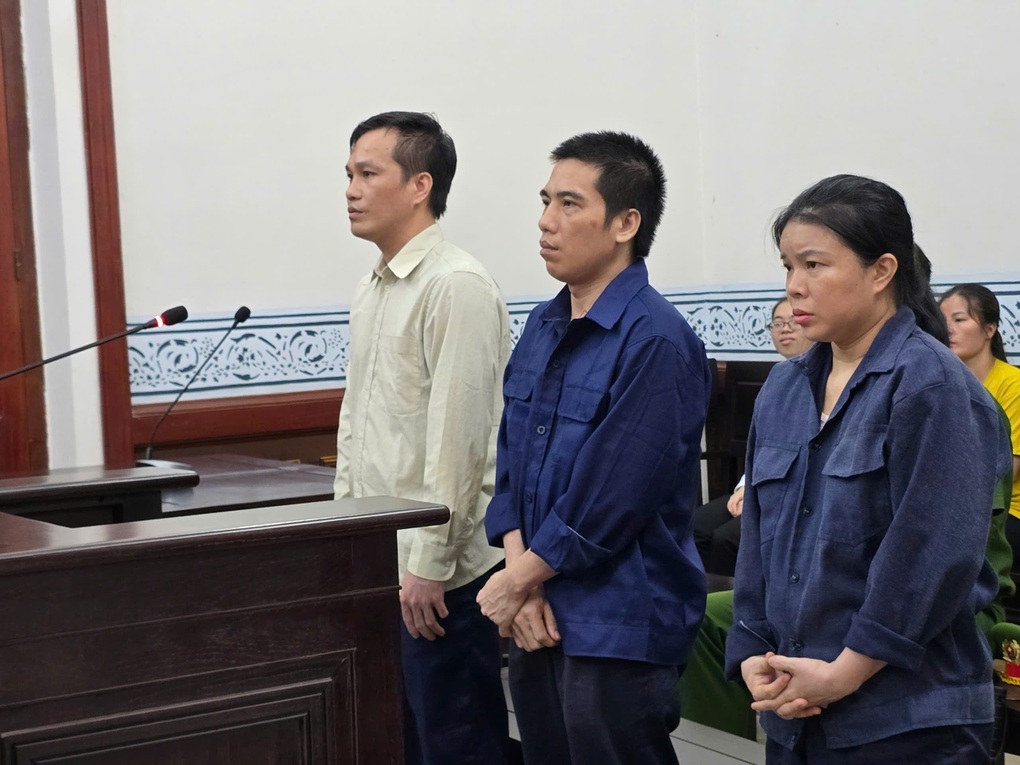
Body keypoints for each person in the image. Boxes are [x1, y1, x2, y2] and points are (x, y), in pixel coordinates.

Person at [724, 174, 1012, 763]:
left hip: (906, 722)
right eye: (788, 266)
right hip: (797, 711)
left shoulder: (932, 388)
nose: (794, 286)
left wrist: (845, 672)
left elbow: (931, 557)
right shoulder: (784, 388)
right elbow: (757, 538)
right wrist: (752, 647)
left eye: (814, 265)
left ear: (881, 271)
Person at [476, 131, 711, 765]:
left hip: (618, 619)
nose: (546, 221)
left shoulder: (656, 339)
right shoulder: (543, 323)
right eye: (545, 201)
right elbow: (511, 462)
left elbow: (614, 495)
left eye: (569, 204)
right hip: (539, 606)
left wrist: (518, 579)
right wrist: (522, 579)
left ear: (625, 223)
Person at [333, 111, 511, 765]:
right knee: (398, 743)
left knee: (455, 746)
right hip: (383, 561)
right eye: (348, 174)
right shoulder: (371, 287)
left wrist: (428, 564)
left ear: (419, 185)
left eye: (367, 173)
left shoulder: (455, 285)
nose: (351, 189)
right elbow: (357, 427)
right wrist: (345, 542)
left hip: (441, 576)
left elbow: (460, 442)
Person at [693, 298, 814, 576]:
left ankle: (737, 601)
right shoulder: (777, 378)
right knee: (696, 527)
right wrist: (744, 487)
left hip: (793, 493)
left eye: (793, 321)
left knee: (725, 540)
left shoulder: (824, 381)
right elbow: (762, 446)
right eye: (778, 323)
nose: (785, 329)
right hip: (758, 485)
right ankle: (702, 599)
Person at [940, 284, 1020, 554]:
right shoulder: (941, 381)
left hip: (1006, 510)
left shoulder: (1013, 384)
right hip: (956, 503)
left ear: (989, 329)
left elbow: (1007, 472)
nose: (948, 329)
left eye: (959, 319)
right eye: (943, 320)